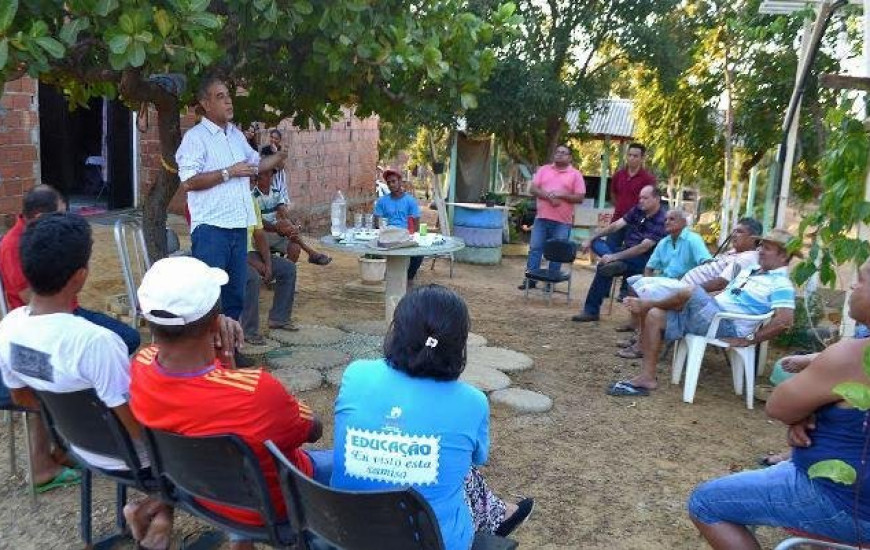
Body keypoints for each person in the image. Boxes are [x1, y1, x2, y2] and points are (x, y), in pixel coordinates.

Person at [129, 256, 331, 550]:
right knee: (348, 464)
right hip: (273, 509)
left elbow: (201, 390)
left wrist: (221, 352)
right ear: (216, 321)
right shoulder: (257, 391)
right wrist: (224, 352)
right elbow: (313, 429)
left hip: (200, 494)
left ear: (148, 319)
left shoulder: (140, 366)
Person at [0, 212, 172, 548]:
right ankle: (156, 510)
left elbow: (23, 398)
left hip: (79, 446)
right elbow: (134, 424)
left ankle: (160, 516)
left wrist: (67, 419)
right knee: (191, 435)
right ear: (80, 277)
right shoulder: (96, 342)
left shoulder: (10, 328)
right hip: (129, 459)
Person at [331, 285, 534, 549]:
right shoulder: (472, 402)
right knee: (460, 469)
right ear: (459, 344)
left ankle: (500, 512)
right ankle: (499, 514)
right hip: (434, 542)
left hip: (348, 532)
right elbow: (477, 458)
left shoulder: (356, 374)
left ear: (397, 331)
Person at [687, 257, 870, 549]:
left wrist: (805, 409)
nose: (852, 285)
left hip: (844, 503)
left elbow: (778, 407)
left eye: (861, 279)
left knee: (706, 503)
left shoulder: (854, 356)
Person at [609, 229, 796, 397]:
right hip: (710, 315)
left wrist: (749, 339)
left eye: (767, 248)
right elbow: (727, 294)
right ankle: (647, 377)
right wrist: (706, 300)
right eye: (761, 246)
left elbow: (785, 321)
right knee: (655, 315)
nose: (760, 251)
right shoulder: (751, 270)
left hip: (727, 325)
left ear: (783, 256)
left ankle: (647, 303)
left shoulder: (781, 284)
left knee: (690, 290)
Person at [175, 76, 287, 325]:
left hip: (238, 227)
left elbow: (257, 165)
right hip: (211, 230)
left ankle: (229, 346)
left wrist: (279, 157)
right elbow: (189, 181)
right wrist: (229, 172)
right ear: (205, 104)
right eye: (220, 97)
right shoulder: (195, 138)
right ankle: (209, 347)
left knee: (235, 297)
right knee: (210, 298)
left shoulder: (235, 135)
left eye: (228, 96)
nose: (228, 102)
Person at [0, 185, 141, 355]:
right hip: (45, 319)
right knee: (125, 339)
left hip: (62, 309)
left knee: (126, 337)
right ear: (40, 217)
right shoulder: (12, 245)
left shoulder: (47, 235)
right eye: (61, 214)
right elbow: (28, 296)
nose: (65, 219)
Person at [613, 209, 710, 359]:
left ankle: (642, 345)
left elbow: (706, 263)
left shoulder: (693, 239)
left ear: (684, 222)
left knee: (645, 292)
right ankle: (640, 332)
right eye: (666, 219)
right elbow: (649, 267)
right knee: (634, 283)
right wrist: (646, 283)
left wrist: (690, 277)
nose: (667, 222)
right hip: (664, 281)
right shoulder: (664, 241)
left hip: (683, 285)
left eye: (672, 219)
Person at [571, 185, 667, 322]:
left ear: (656, 199)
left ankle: (591, 311)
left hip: (643, 260)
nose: (641, 200)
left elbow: (643, 248)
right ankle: (614, 262)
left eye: (645, 198)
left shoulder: (662, 219)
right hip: (624, 252)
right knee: (596, 242)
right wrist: (591, 239)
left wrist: (614, 257)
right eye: (640, 197)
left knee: (604, 267)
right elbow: (616, 226)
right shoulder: (638, 210)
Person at [518, 144, 586, 290]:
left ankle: (551, 282)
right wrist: (549, 197)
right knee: (535, 249)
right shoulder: (544, 170)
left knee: (557, 252)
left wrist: (562, 195)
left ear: (570, 157)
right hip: (541, 218)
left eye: (563, 153)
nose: (559, 154)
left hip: (562, 222)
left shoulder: (575, 175)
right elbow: (533, 188)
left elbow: (580, 197)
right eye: (557, 152)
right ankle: (531, 279)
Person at [243, 184, 299, 343]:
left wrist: (267, 263)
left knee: (288, 268)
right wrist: (257, 265)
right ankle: (248, 331)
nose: (252, 182)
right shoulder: (232, 202)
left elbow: (259, 234)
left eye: (254, 178)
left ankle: (279, 318)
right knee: (252, 277)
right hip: (234, 255)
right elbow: (234, 245)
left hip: (250, 252)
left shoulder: (251, 200)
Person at [250, 166, 332, 266]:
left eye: (270, 175)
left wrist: (290, 225)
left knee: (295, 247)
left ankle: (287, 270)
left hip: (277, 232)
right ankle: (311, 252)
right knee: (287, 227)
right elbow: (258, 222)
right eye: (266, 175)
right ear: (258, 178)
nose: (270, 178)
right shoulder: (253, 196)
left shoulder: (276, 192)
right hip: (262, 234)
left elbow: (283, 211)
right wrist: (277, 227)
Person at [607, 143, 656, 299]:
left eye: (635, 156)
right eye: (629, 155)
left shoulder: (647, 179)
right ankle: (604, 288)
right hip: (617, 221)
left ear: (642, 158)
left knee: (631, 256)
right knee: (609, 251)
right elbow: (613, 193)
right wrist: (620, 208)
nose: (632, 158)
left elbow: (650, 200)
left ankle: (624, 290)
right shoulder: (619, 175)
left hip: (637, 225)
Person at [374, 169, 424, 281]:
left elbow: (416, 225)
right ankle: (380, 277)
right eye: (388, 182)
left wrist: (409, 234)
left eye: (394, 181)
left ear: (400, 181)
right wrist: (385, 231)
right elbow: (377, 223)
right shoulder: (382, 201)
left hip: (404, 236)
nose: (391, 184)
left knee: (419, 254)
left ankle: (408, 279)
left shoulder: (410, 201)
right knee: (371, 250)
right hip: (387, 236)